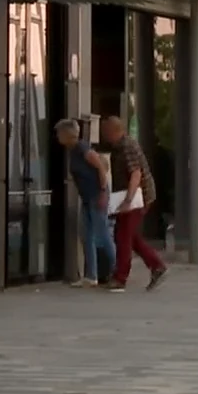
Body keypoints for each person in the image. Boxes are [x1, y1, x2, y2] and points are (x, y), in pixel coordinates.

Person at [101, 116, 169, 290]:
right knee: (129, 235)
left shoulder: (127, 146)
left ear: (113, 131)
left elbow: (136, 174)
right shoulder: (119, 146)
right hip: (132, 195)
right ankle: (156, 266)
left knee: (123, 236)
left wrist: (128, 200)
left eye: (105, 131)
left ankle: (120, 277)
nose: (103, 135)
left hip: (137, 197)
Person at [56, 119, 115, 288]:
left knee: (101, 234)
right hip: (88, 196)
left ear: (68, 134)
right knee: (86, 235)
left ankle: (117, 270)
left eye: (60, 133)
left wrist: (103, 192)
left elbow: (101, 168)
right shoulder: (73, 150)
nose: (58, 136)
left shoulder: (82, 148)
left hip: (97, 194)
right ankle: (91, 275)